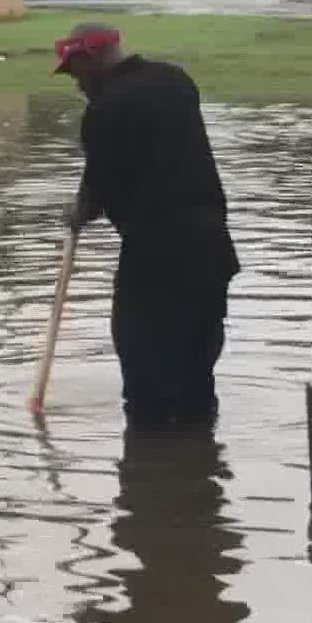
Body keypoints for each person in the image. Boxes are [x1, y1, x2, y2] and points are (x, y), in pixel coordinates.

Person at [56, 22, 240, 430]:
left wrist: (75, 214)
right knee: (196, 374)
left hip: (155, 257)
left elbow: (96, 192)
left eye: (76, 73)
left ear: (91, 59)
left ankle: (146, 472)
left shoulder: (104, 109)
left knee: (144, 380)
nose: (77, 86)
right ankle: (197, 468)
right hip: (212, 249)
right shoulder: (178, 82)